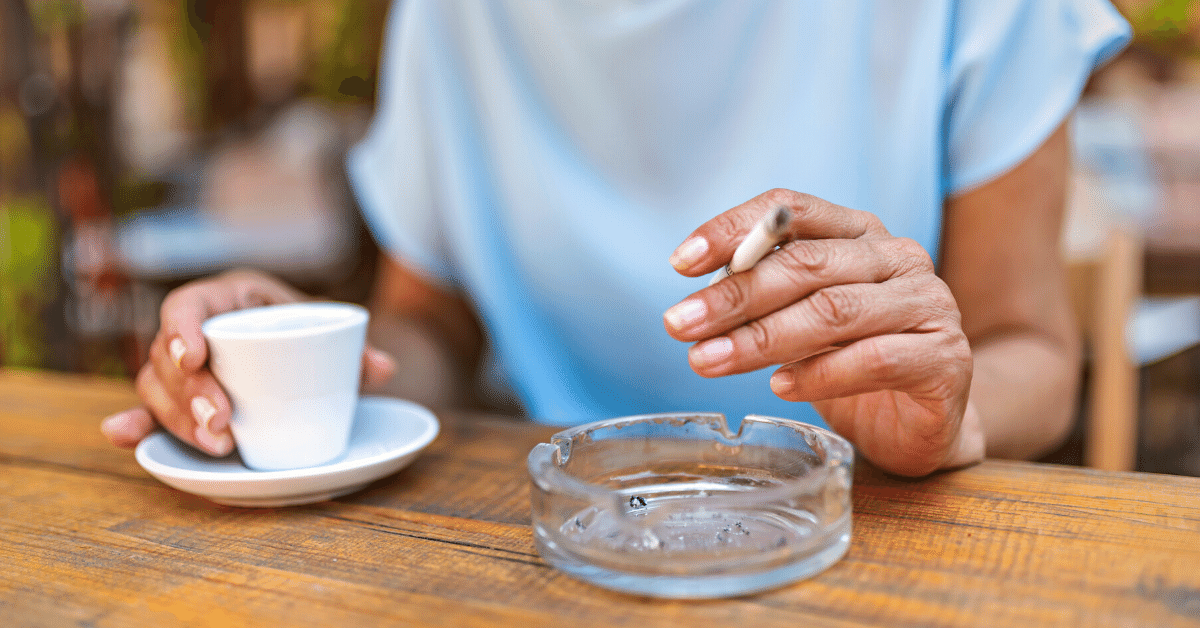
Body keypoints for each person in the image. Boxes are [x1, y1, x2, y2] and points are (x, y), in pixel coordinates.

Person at [101, 0, 1131, 477]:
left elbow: (1035, 350)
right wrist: (291, 367)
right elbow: (432, 327)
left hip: (868, 540)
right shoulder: (455, 17)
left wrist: (953, 415)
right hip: (541, 547)